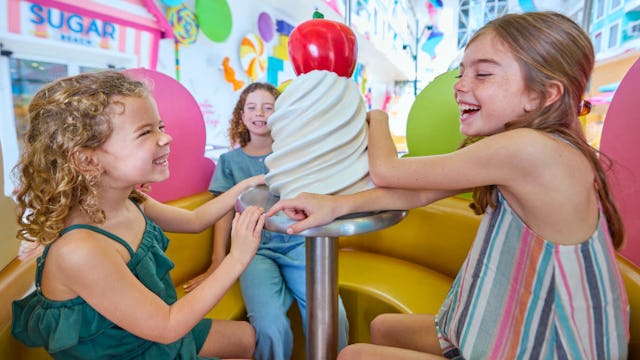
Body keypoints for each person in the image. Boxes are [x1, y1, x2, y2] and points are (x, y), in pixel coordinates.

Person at [267, 12, 629, 359]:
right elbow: (421, 191)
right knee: (383, 329)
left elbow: (388, 171)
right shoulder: (532, 146)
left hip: (551, 344)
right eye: (461, 73)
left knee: (353, 355)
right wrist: (337, 206)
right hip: (515, 323)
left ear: (543, 95)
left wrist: (374, 114)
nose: (459, 86)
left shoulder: (531, 150)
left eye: (482, 74)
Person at [11, 71, 267, 360]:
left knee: (247, 338)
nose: (166, 137)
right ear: (87, 160)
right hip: (133, 350)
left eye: (160, 126)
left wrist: (245, 186)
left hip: (154, 331)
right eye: (146, 132)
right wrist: (237, 258)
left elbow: (195, 222)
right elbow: (168, 325)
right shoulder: (80, 249)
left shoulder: (131, 199)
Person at [183, 82, 350, 359]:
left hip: (299, 244)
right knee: (270, 326)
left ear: (280, 115)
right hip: (255, 251)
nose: (259, 113)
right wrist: (217, 260)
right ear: (241, 114)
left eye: (268, 107)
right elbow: (222, 212)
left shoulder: (296, 158)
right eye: (251, 107)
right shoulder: (229, 162)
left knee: (334, 314)